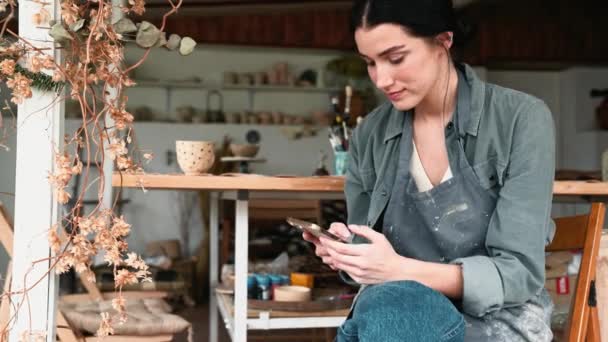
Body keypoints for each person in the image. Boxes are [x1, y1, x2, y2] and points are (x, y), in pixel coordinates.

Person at [302, 1, 556, 341]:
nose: (381, 79)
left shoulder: (521, 119)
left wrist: (398, 270)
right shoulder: (370, 136)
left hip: (499, 317)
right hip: (401, 310)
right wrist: (350, 252)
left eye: (395, 58)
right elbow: (371, 260)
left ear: (443, 41)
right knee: (390, 310)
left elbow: (518, 275)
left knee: (387, 317)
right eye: (370, 63)